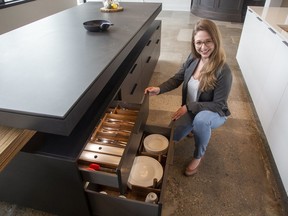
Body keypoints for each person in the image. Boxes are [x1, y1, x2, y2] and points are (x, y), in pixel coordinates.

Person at [144, 19, 232, 176]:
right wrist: (159, 89)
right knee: (171, 135)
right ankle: (192, 127)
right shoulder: (193, 58)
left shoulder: (223, 70)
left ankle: (198, 156)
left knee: (201, 121)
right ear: (194, 42)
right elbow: (177, 78)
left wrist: (189, 107)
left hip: (213, 112)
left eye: (208, 41)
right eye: (199, 42)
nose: (203, 47)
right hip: (191, 109)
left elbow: (218, 104)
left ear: (215, 40)